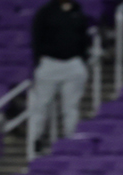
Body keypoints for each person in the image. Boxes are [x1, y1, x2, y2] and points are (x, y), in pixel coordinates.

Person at [30, 0, 90, 151]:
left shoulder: (79, 13)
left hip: (73, 64)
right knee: (41, 105)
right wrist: (41, 61)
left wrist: (82, 58)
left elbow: (84, 39)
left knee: (71, 107)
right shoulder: (45, 12)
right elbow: (36, 38)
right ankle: (35, 141)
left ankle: (70, 141)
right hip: (50, 63)